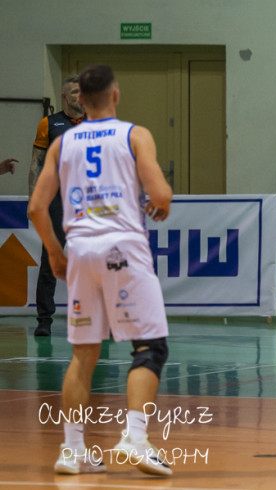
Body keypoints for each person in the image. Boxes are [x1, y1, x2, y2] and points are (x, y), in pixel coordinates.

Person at [27, 64, 175, 477]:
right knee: (149, 348)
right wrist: (161, 200)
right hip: (122, 247)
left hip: (79, 251)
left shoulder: (63, 141)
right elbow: (160, 194)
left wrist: (56, 253)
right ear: (115, 95)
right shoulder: (134, 134)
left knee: (83, 354)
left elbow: (37, 208)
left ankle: (72, 450)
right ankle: (136, 438)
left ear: (82, 99)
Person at [28, 74, 86, 337]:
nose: (80, 97)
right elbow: (36, 164)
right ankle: (44, 319)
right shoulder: (49, 124)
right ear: (65, 95)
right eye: (74, 92)